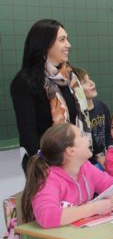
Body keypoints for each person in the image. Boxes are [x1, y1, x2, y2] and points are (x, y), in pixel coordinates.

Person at [10, 19, 92, 171]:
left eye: (67, 39)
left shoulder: (70, 77)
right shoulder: (25, 82)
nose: (69, 45)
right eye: (62, 40)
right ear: (45, 45)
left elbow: (79, 119)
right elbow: (28, 132)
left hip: (74, 160)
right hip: (44, 165)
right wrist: (45, 165)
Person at [72, 67, 113, 168]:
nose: (92, 83)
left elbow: (108, 133)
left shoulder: (102, 106)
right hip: (88, 164)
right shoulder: (77, 116)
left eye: (89, 78)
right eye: (84, 82)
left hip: (106, 159)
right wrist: (98, 159)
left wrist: (110, 153)